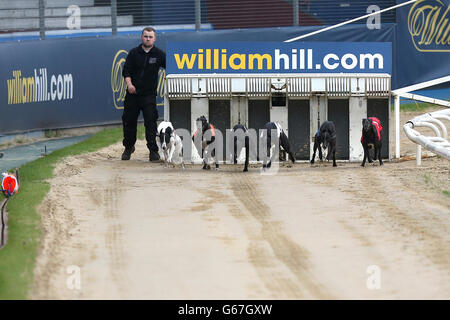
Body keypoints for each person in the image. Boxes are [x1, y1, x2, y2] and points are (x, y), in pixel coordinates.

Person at [121, 27, 166, 161]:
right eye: (145, 36)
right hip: (132, 94)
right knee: (129, 122)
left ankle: (153, 151)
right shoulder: (134, 53)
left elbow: (172, 66)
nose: (148, 39)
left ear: (154, 39)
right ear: (141, 37)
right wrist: (129, 85)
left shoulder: (159, 54)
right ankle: (128, 148)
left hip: (149, 95)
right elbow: (126, 71)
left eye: (150, 37)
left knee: (151, 122)